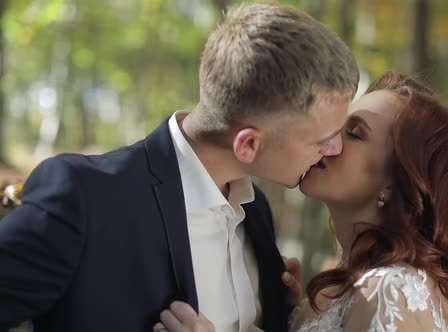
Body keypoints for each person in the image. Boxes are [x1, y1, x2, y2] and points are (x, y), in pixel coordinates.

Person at [0, 2, 358, 332]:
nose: (335, 148)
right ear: (248, 144)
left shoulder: (256, 211)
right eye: (321, 139)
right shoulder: (85, 197)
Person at [156, 71, 448, 332]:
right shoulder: (349, 289)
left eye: (354, 133)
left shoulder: (392, 291)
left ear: (396, 183)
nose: (327, 140)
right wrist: (284, 312)